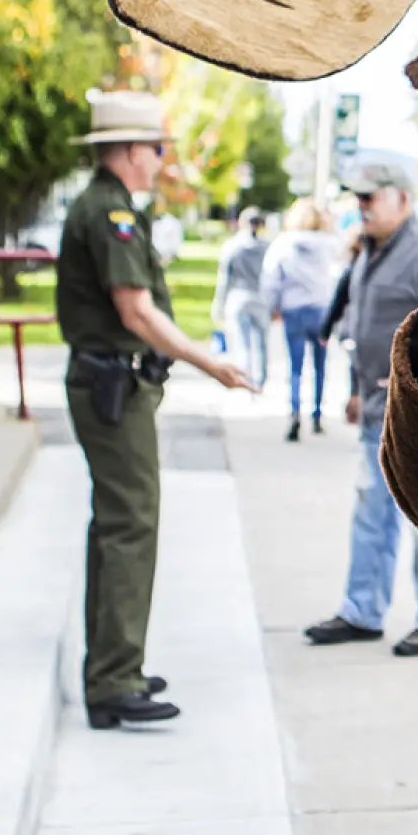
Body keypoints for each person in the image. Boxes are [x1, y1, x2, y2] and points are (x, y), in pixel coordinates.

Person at [55, 92, 255, 730]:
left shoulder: (108, 207)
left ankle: (114, 667)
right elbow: (135, 310)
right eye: (156, 149)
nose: (160, 161)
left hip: (111, 385)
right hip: (114, 388)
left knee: (115, 526)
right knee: (130, 526)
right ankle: (114, 679)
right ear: (130, 150)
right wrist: (209, 362)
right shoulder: (110, 211)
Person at [302, 159, 418, 658]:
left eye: (371, 197)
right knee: (370, 514)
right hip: (376, 409)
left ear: (403, 199)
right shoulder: (368, 251)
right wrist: (357, 389)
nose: (361, 206)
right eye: (358, 197)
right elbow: (363, 328)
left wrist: (412, 375)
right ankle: (362, 611)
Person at [260, 199, 340, 441]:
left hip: (293, 309)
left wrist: (273, 306)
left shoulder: (284, 243)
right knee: (320, 365)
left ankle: (294, 413)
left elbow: (271, 278)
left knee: (295, 367)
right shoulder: (331, 244)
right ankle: (317, 414)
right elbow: (339, 278)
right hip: (321, 309)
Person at [211, 207, 272, 387]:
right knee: (262, 344)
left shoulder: (232, 246)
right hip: (261, 298)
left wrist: (218, 304)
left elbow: (224, 279)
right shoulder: (267, 247)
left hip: (238, 297)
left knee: (243, 343)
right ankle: (260, 380)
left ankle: (245, 377)